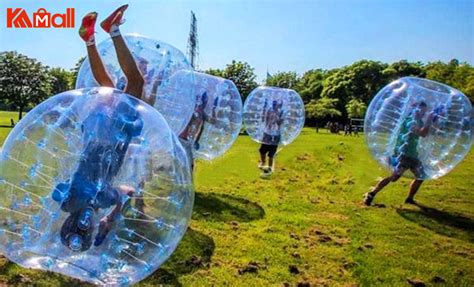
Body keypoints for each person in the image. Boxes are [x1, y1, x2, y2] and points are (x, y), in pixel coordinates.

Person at [53, 5, 149, 252]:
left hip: (110, 141)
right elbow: (60, 189)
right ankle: (89, 39)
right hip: (93, 137)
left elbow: (128, 191)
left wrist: (112, 215)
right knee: (108, 85)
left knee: (136, 84)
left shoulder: (101, 199)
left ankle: (113, 29)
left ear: (89, 225)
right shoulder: (67, 203)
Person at [363, 102, 434, 206]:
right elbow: (422, 133)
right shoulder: (411, 121)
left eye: (424, 111)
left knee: (421, 176)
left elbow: (424, 133)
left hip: (413, 155)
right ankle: (371, 194)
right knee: (394, 177)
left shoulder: (418, 121)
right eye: (422, 110)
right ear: (416, 110)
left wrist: (431, 122)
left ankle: (409, 199)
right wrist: (429, 121)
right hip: (404, 155)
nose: (424, 113)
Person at [258, 99, 284, 174]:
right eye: (273, 103)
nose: (274, 104)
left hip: (276, 135)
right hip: (267, 133)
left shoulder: (281, 112)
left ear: (279, 104)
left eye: (276, 103)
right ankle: (263, 162)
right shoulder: (269, 110)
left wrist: (277, 119)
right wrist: (265, 106)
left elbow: (280, 123)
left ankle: (269, 168)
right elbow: (265, 119)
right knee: (262, 150)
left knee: (271, 154)